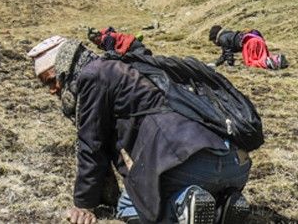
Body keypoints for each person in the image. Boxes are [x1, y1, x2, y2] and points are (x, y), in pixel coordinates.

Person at [28, 36, 251, 224]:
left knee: (127, 206)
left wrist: (83, 205)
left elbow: (91, 144)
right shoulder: (127, 67)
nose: (52, 90)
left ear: (64, 67)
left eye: (50, 81)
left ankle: (181, 206)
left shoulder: (92, 76)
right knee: (169, 185)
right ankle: (223, 204)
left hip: (184, 160)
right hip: (234, 163)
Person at [209, 26, 288, 69]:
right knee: (261, 57)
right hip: (258, 39)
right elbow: (225, 54)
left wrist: (230, 65)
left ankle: (267, 63)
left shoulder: (222, 39)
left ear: (215, 37)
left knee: (250, 62)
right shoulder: (228, 34)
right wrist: (216, 64)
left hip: (249, 43)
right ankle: (277, 59)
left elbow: (228, 54)